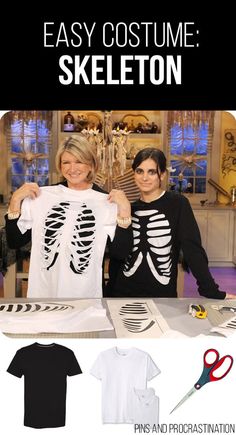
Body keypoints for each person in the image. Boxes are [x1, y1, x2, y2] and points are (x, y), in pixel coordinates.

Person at [5, 134, 132, 298]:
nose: (72, 169)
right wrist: (15, 200)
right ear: (60, 165)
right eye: (66, 162)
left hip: (86, 295)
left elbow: (120, 253)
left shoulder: (105, 201)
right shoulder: (42, 196)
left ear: (91, 165)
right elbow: (14, 241)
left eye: (79, 161)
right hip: (45, 293)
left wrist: (125, 210)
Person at [106, 147, 236, 299]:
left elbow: (193, 250)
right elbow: (117, 255)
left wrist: (210, 290)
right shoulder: (127, 208)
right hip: (122, 293)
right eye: (139, 171)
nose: (144, 178)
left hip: (162, 295)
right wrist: (125, 213)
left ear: (162, 174)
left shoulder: (177, 204)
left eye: (152, 172)